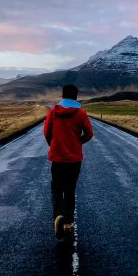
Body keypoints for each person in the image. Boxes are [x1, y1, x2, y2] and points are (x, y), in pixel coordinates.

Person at [44, 84, 93, 238]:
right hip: (74, 158)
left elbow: (47, 132)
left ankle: (58, 215)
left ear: (63, 96)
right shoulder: (81, 114)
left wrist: (53, 145)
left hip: (57, 158)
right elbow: (89, 134)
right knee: (70, 189)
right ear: (76, 97)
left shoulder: (53, 112)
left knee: (57, 189)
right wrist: (78, 142)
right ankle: (68, 223)